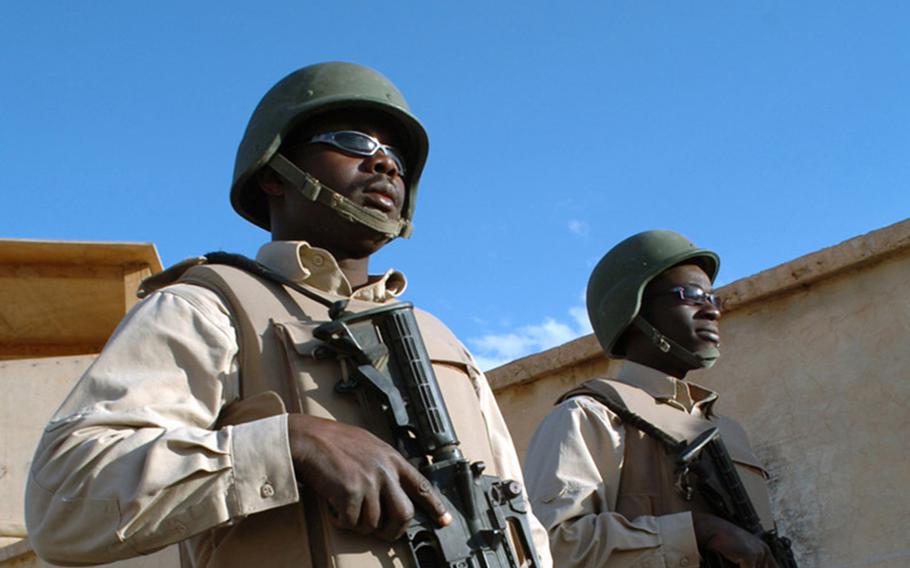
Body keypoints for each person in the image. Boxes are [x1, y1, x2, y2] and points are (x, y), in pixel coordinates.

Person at [26, 62, 551, 568]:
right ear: (275, 174)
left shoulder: (445, 343)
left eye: (394, 155)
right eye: (352, 142)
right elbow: (64, 504)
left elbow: (524, 526)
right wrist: (287, 445)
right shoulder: (210, 307)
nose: (385, 163)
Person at [523, 230, 783, 568]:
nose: (712, 312)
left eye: (714, 299)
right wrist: (696, 532)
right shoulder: (589, 416)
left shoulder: (728, 431)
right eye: (691, 295)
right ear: (632, 310)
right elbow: (553, 544)